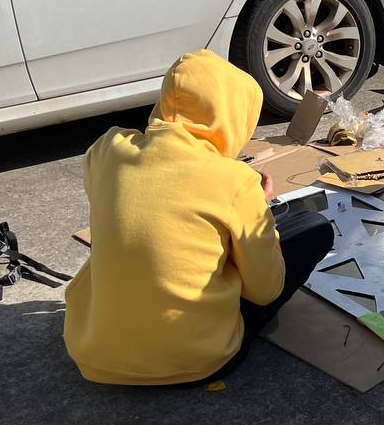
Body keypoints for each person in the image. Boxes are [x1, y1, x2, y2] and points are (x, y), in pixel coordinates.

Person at [64, 50, 333, 386]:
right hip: (198, 364)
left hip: (92, 357)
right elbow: (265, 290)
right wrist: (257, 206)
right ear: (235, 117)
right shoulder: (235, 181)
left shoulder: (107, 150)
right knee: (314, 229)